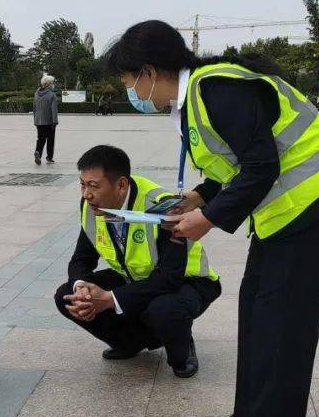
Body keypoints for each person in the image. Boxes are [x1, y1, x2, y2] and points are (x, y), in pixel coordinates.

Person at [104, 20, 319, 417]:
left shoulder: (215, 88)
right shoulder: (199, 98)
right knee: (257, 314)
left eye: (128, 79)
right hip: (284, 214)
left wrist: (206, 219)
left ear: (149, 72)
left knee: (283, 329)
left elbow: (262, 167)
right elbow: (239, 166)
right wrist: (199, 197)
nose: (130, 89)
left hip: (313, 205)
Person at [54, 145, 221, 378]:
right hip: (134, 276)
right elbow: (82, 258)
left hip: (188, 281)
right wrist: (81, 286)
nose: (86, 194)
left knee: (164, 310)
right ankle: (131, 342)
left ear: (121, 184)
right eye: (82, 184)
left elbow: (169, 278)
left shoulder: (163, 207)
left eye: (94, 186)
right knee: (67, 296)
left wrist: (110, 299)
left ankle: (182, 342)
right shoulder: (91, 206)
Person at [33, 74, 59, 165]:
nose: (53, 84)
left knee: (41, 138)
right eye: (52, 83)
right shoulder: (52, 95)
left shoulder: (37, 93)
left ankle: (38, 152)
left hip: (38, 120)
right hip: (49, 121)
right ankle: (49, 157)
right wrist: (55, 121)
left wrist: (35, 120)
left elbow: (34, 108)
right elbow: (54, 110)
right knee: (50, 139)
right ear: (48, 84)